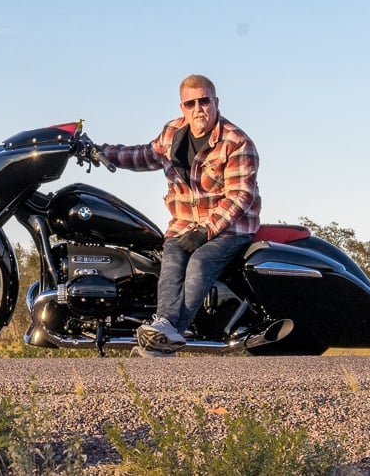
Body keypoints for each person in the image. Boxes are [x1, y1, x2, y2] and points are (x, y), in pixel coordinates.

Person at [100, 74, 261, 356]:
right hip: (185, 225)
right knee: (171, 261)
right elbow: (144, 155)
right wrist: (103, 153)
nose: (198, 108)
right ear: (182, 107)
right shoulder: (173, 132)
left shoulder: (236, 142)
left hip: (229, 229)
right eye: (191, 103)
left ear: (215, 102)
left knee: (199, 262)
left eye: (204, 101)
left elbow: (240, 196)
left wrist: (206, 231)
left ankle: (168, 335)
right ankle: (164, 325)